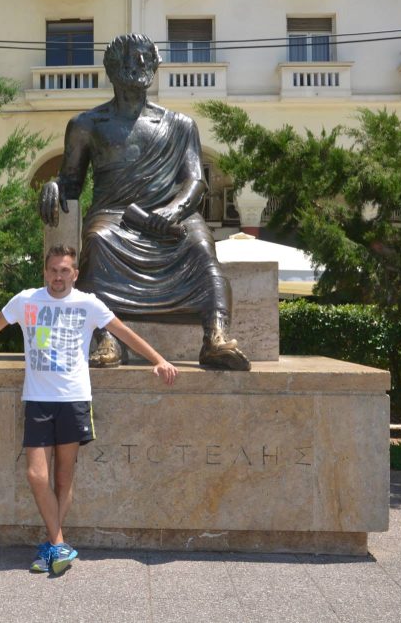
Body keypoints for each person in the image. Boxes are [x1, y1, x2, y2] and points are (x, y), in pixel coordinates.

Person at [0, 244, 178, 575]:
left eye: (64, 270)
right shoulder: (26, 301)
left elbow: (123, 332)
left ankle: (52, 549)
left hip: (74, 400)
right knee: (36, 475)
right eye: (53, 270)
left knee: (63, 479)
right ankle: (59, 543)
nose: (58, 276)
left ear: (74, 274)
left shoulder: (88, 304)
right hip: (38, 400)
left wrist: (159, 360)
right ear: (45, 272)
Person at [39, 33, 249, 371]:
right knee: (97, 241)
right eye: (129, 56)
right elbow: (71, 183)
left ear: (154, 65)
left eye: (145, 57)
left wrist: (173, 210)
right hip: (114, 217)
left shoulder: (180, 125)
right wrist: (53, 187)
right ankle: (107, 338)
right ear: (111, 68)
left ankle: (216, 336)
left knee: (200, 246)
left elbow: (196, 181)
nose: (138, 64)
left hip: (171, 216)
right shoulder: (86, 125)